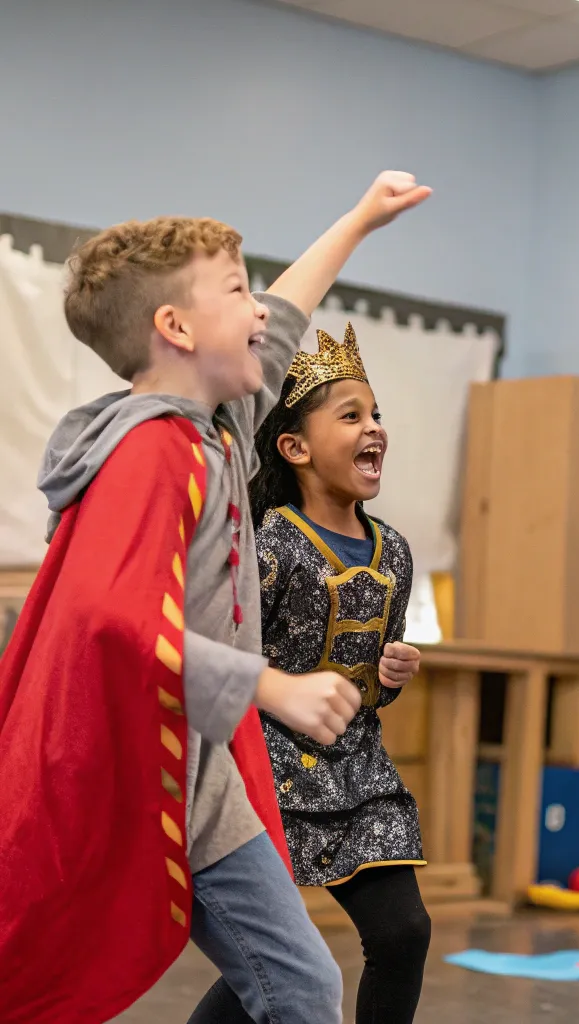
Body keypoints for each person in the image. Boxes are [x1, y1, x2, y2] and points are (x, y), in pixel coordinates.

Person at [0, 171, 431, 1024]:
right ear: (176, 328)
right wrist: (273, 684)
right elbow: (109, 620)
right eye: (237, 290)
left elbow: (287, 317)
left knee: (294, 983)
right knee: (294, 986)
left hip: (195, 766)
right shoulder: (155, 452)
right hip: (141, 763)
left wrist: (357, 220)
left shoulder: (211, 426)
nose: (261, 308)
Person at [239, 322, 428, 1024]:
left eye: (376, 413)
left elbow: (371, 682)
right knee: (270, 959)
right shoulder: (271, 543)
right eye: (351, 415)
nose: (373, 427)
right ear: (295, 447)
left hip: (359, 770)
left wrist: (390, 672)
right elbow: (232, 664)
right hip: (270, 773)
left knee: (403, 933)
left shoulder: (396, 551)